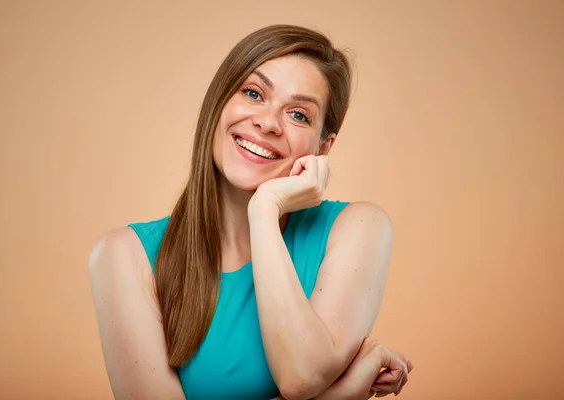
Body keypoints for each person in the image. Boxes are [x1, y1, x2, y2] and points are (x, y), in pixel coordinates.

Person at [89, 24, 414, 399]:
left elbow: (301, 376)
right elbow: (310, 389)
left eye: (298, 115)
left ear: (323, 147)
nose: (267, 123)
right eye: (254, 93)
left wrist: (263, 212)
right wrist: (344, 391)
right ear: (219, 101)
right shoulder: (123, 255)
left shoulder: (359, 228)